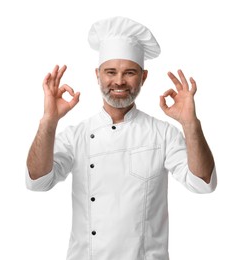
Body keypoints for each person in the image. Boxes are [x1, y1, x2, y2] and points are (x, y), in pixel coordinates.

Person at [26, 16, 217, 260]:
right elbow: (37, 181)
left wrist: (190, 124)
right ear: (97, 75)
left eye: (129, 72)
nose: (118, 81)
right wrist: (48, 121)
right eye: (110, 72)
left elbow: (203, 183)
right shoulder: (77, 136)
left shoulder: (163, 133)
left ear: (143, 77)